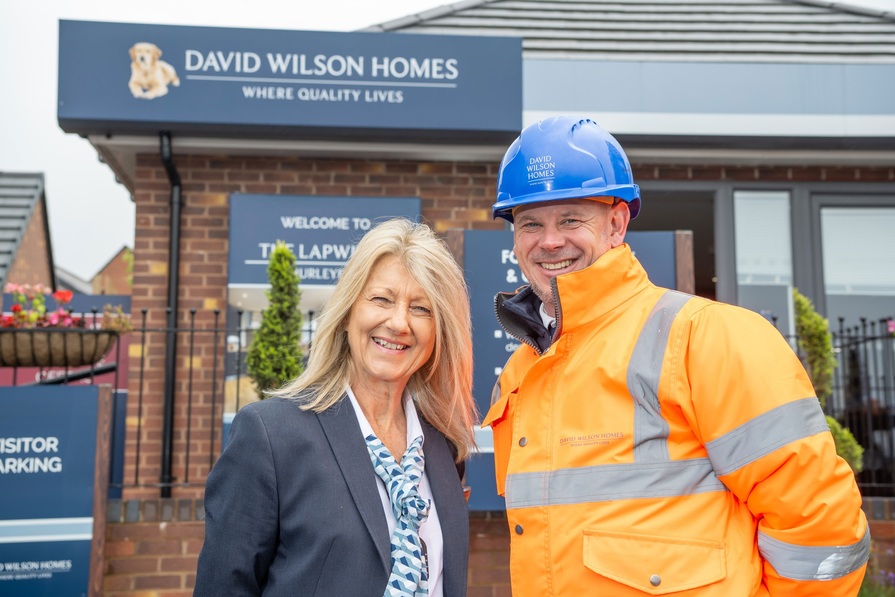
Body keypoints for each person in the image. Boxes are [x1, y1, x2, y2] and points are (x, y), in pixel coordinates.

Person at [481, 116, 869, 596]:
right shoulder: (523, 371)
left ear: (617, 223)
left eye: (571, 219)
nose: (550, 241)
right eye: (530, 224)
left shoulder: (708, 337)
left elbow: (819, 526)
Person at [195, 218, 477, 597]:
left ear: (439, 332)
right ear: (347, 313)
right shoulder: (271, 436)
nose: (399, 323)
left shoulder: (443, 445)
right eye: (381, 299)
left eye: (421, 308)